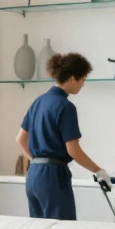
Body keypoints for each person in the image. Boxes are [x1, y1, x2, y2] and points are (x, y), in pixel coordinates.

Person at [15, 52, 110, 219]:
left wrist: (37, 161)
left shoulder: (38, 102)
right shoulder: (66, 107)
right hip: (52, 177)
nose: (83, 85)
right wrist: (98, 171)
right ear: (72, 78)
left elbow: (20, 139)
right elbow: (73, 150)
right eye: (83, 80)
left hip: (33, 175)